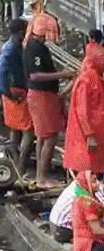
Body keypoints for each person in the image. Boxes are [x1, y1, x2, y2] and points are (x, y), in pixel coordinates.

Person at [24, 22, 73, 187]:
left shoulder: (37, 46)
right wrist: (64, 74)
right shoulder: (34, 48)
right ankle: (43, 177)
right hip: (41, 96)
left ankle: (40, 175)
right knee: (51, 137)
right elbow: (35, 76)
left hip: (43, 95)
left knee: (42, 136)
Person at [63, 47, 104, 175]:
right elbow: (81, 110)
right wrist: (89, 134)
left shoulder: (96, 76)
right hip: (88, 133)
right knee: (87, 168)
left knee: (97, 166)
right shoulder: (86, 79)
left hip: (98, 129)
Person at [0, 19, 32, 169]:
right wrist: (8, 93)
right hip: (16, 93)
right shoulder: (10, 50)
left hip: (11, 92)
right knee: (28, 130)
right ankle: (20, 165)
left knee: (15, 127)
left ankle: (14, 160)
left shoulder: (12, 47)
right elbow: (2, 73)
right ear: (20, 32)